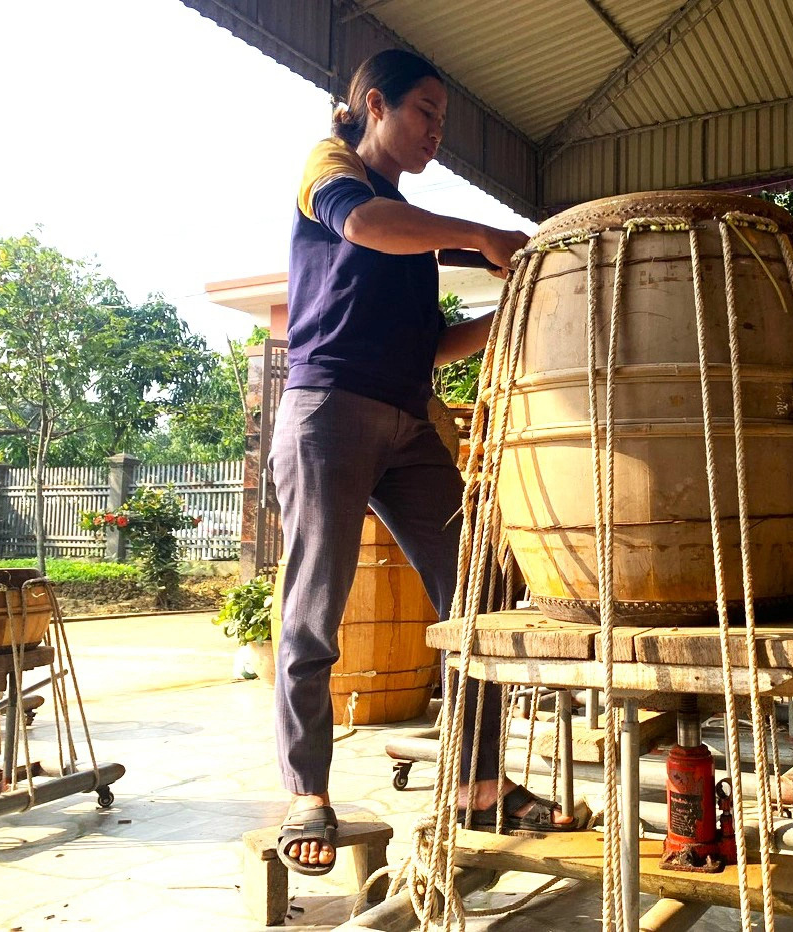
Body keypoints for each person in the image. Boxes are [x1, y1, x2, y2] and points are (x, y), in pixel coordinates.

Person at [270, 48, 578, 876]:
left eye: (442, 121)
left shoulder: (409, 227)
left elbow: (432, 348)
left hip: (408, 423)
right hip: (327, 413)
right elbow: (364, 226)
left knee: (479, 597)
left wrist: (511, 306)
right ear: (375, 104)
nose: (436, 132)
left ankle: (480, 782)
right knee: (314, 609)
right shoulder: (333, 173)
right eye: (424, 113)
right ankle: (308, 790)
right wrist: (480, 235)